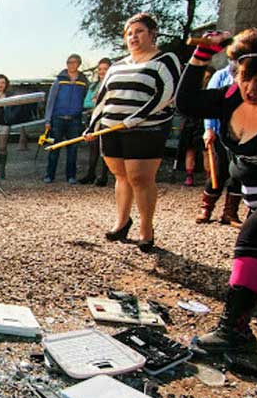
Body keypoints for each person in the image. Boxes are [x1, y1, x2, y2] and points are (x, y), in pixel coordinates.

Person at [176, 29, 257, 352]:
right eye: (245, 78)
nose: (252, 89)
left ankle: (235, 331)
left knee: (256, 240)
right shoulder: (232, 96)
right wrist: (202, 54)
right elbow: (187, 102)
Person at [84, 13, 181, 252]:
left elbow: (167, 94)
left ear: (152, 34)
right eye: (129, 33)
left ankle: (146, 229)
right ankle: (122, 222)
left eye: (139, 31)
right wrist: (93, 126)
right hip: (112, 128)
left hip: (145, 129)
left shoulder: (165, 60)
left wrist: (136, 119)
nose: (133, 37)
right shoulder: (117, 66)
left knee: (140, 178)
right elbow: (104, 98)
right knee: (121, 176)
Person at [195, 61, 243, 225]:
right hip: (221, 132)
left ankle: (230, 213)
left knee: (239, 173)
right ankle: (206, 209)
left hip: (245, 131)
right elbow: (209, 104)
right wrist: (209, 128)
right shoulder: (221, 75)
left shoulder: (252, 74)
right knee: (219, 170)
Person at [43, 54, 89, 184]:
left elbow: (86, 99)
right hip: (58, 118)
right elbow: (50, 101)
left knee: (73, 149)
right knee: (54, 147)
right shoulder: (59, 80)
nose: (71, 64)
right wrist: (47, 120)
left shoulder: (83, 81)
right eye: (68, 62)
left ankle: (71, 176)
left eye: (73, 62)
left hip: (75, 119)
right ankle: (49, 175)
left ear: (79, 64)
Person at [176, 66, 214, 187]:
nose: (205, 79)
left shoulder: (211, 90)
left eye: (207, 77)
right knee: (190, 149)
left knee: (206, 150)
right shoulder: (192, 89)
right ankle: (189, 176)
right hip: (191, 120)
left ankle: (209, 177)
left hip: (204, 120)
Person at [79, 57, 112, 185]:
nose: (102, 72)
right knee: (93, 148)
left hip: (106, 119)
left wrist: (98, 102)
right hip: (92, 119)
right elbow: (86, 102)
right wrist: (96, 102)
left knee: (105, 148)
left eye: (105, 69)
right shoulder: (93, 86)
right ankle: (90, 174)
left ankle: (104, 176)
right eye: (100, 69)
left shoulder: (112, 84)